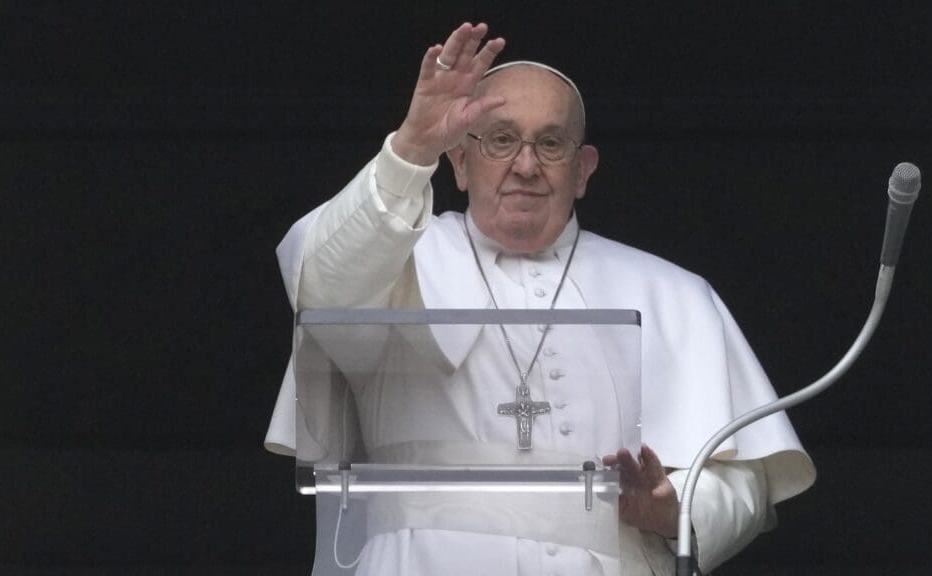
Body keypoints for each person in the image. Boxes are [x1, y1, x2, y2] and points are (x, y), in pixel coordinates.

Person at [266, 22, 815, 576]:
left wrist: (671, 507)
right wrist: (410, 147)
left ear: (582, 170)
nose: (525, 166)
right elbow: (319, 285)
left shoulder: (672, 293)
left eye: (550, 143)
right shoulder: (391, 255)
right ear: (459, 161)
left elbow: (744, 477)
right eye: (501, 139)